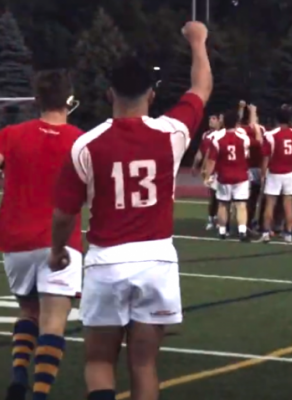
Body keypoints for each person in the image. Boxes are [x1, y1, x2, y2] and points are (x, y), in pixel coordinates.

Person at [50, 21, 211, 400]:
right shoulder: (171, 133)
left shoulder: (86, 145)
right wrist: (198, 41)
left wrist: (58, 251)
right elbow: (201, 88)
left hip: (106, 261)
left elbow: (63, 213)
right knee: (144, 364)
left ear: (109, 93)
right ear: (152, 95)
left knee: (99, 362)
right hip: (156, 260)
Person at [0, 70, 83, 400]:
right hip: (60, 240)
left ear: (36, 100)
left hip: (16, 237)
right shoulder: (79, 139)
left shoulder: (11, 134)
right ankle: (40, 393)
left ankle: (19, 373)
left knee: (28, 312)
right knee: (53, 322)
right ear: (68, 99)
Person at [203, 110, 251, 242]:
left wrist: (207, 176)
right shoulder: (244, 137)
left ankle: (222, 231)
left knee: (223, 204)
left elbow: (212, 160)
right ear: (236, 123)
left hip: (224, 176)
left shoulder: (217, 138)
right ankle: (242, 231)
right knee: (241, 205)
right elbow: (247, 155)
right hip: (240, 175)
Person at [259, 107, 292, 243]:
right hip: (291, 172)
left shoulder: (270, 135)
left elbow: (266, 157)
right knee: (288, 204)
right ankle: (288, 234)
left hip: (274, 172)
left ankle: (266, 233)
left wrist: (262, 174)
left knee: (270, 203)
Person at [192, 114, 222, 230]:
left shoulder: (222, 134)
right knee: (213, 196)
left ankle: (220, 220)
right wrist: (195, 165)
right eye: (210, 118)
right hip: (211, 170)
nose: (210, 120)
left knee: (222, 197)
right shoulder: (206, 135)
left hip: (220, 169)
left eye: (214, 118)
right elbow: (202, 152)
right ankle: (211, 218)